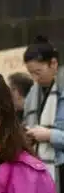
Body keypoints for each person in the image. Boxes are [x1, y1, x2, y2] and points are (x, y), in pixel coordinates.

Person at [23, 36, 64, 181]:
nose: (35, 78)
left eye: (38, 72)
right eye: (31, 73)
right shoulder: (32, 95)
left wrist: (49, 135)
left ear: (53, 63)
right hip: (41, 168)